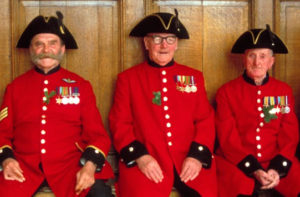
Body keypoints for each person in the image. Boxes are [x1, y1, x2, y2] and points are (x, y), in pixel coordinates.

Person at [0, 11, 114, 197]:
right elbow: (2, 133)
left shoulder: (80, 86)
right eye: (39, 44)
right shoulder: (15, 88)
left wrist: (90, 166)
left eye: (52, 43)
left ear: (62, 49)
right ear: (31, 49)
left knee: (99, 194)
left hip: (70, 167)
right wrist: (7, 160)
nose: (46, 49)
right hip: (24, 168)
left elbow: (98, 136)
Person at [109, 9, 217, 197]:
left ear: (176, 44)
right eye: (157, 39)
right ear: (146, 43)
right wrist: (140, 157)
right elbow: (120, 123)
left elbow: (205, 120)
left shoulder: (193, 77)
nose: (164, 45)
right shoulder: (128, 79)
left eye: (170, 39)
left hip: (187, 160)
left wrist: (197, 156)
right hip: (146, 161)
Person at [215, 25, 300, 197]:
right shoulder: (226, 92)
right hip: (236, 161)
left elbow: (289, 134)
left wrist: (277, 169)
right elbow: (227, 138)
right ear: (244, 59)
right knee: (238, 188)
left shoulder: (282, 91)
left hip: (275, 159)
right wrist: (253, 169)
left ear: (271, 62)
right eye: (251, 56)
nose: (257, 62)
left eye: (263, 56)